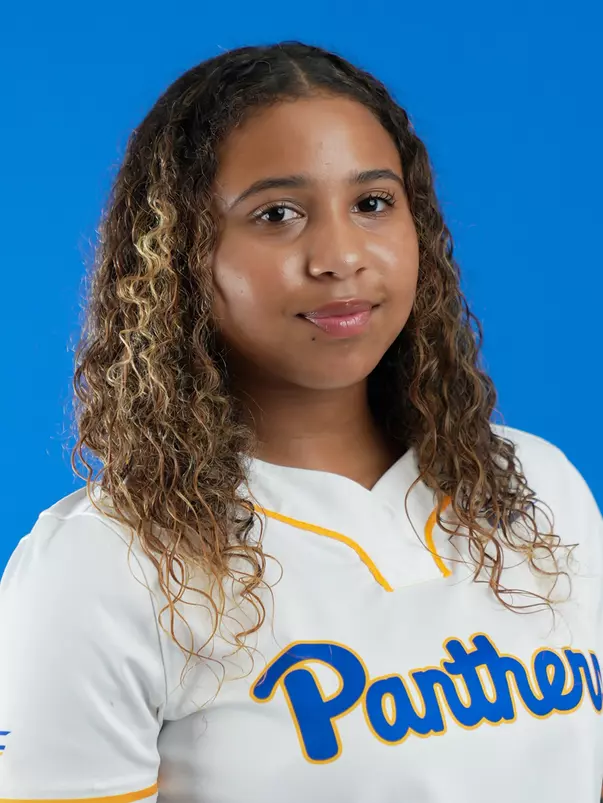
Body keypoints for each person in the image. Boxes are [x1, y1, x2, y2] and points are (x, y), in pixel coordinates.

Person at [0, 41, 601, 803]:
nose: (340, 255)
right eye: (277, 214)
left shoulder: (538, 485)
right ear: (181, 255)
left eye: (372, 203)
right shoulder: (105, 566)